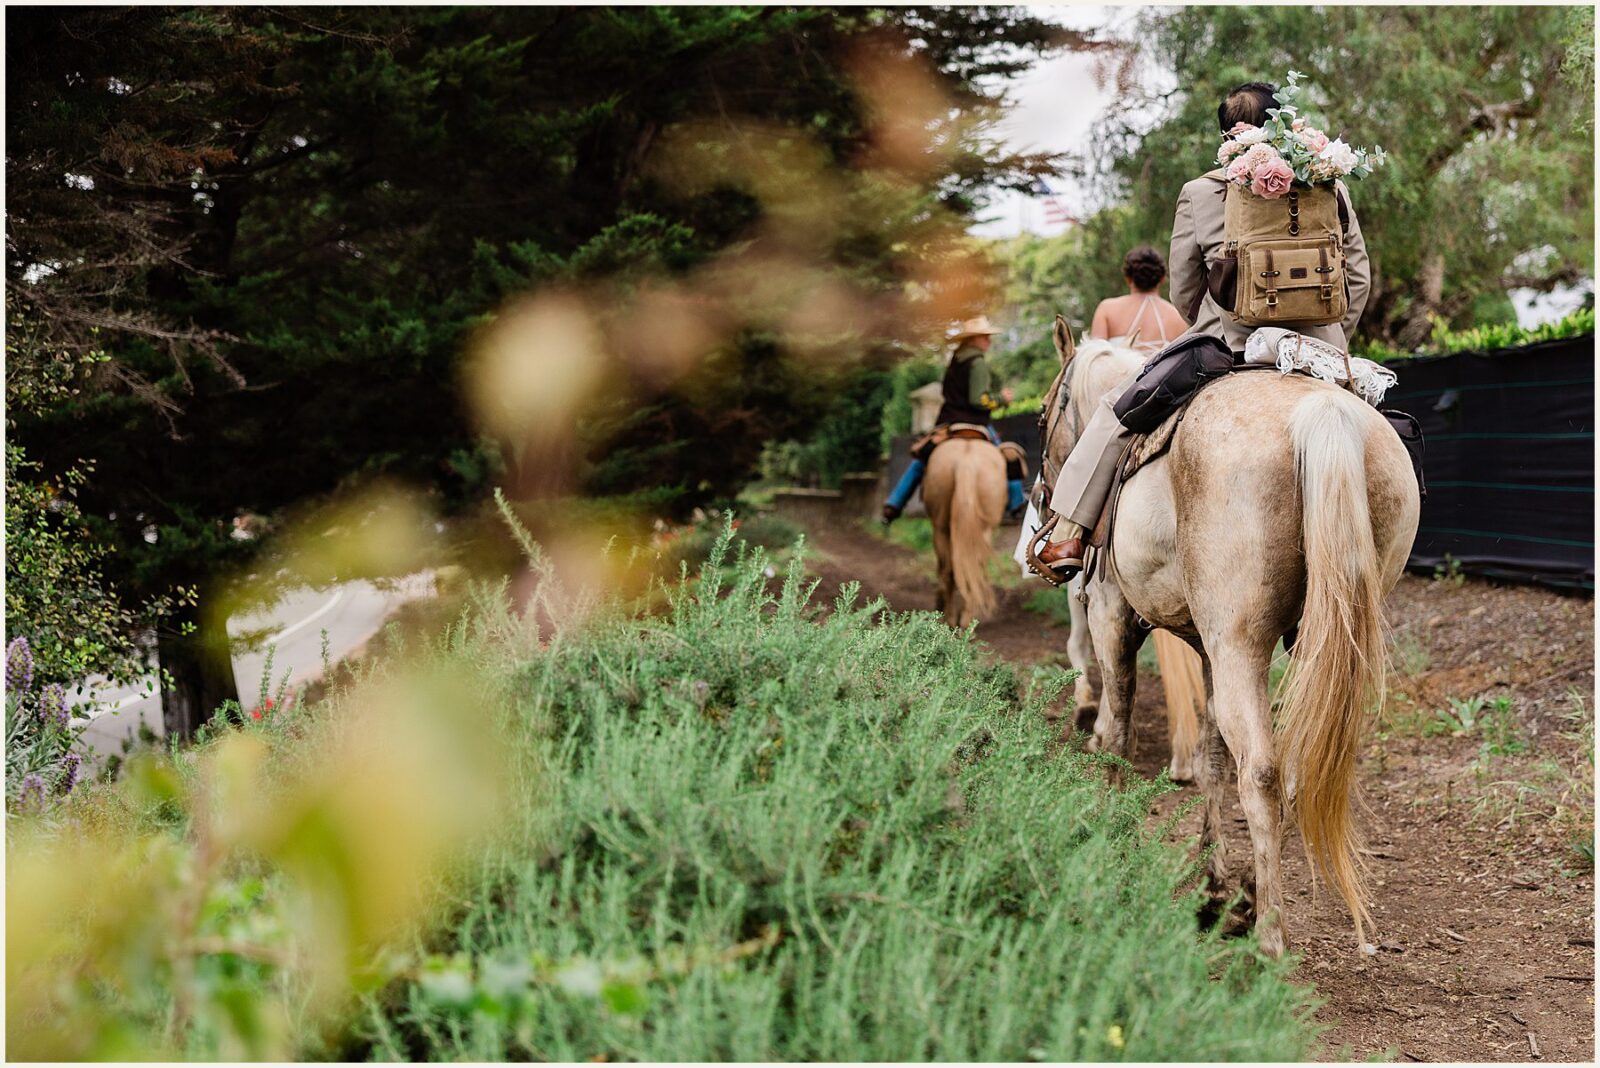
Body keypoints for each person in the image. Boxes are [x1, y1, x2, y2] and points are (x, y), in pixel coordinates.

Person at [1033, 81, 1371, 578]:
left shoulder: (1200, 192)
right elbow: (1357, 278)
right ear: (1285, 124)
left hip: (1226, 347)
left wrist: (1215, 324)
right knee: (1385, 434)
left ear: (1227, 135)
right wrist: (1330, 341)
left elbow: (1185, 290)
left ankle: (1069, 534)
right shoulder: (1329, 184)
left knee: (1115, 413)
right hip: (1321, 349)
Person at [882, 315, 1028, 523]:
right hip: (976, 423)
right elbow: (979, 400)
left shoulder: (955, 361)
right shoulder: (978, 362)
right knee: (1009, 457)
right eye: (984, 337)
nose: (989, 341)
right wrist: (1002, 400)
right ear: (973, 339)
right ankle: (1017, 504)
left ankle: (894, 504)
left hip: (948, 423)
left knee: (922, 459)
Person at [1090, 246, 1191, 353]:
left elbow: (1095, 356)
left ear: (1128, 279)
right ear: (1162, 279)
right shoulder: (1179, 317)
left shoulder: (1107, 309)